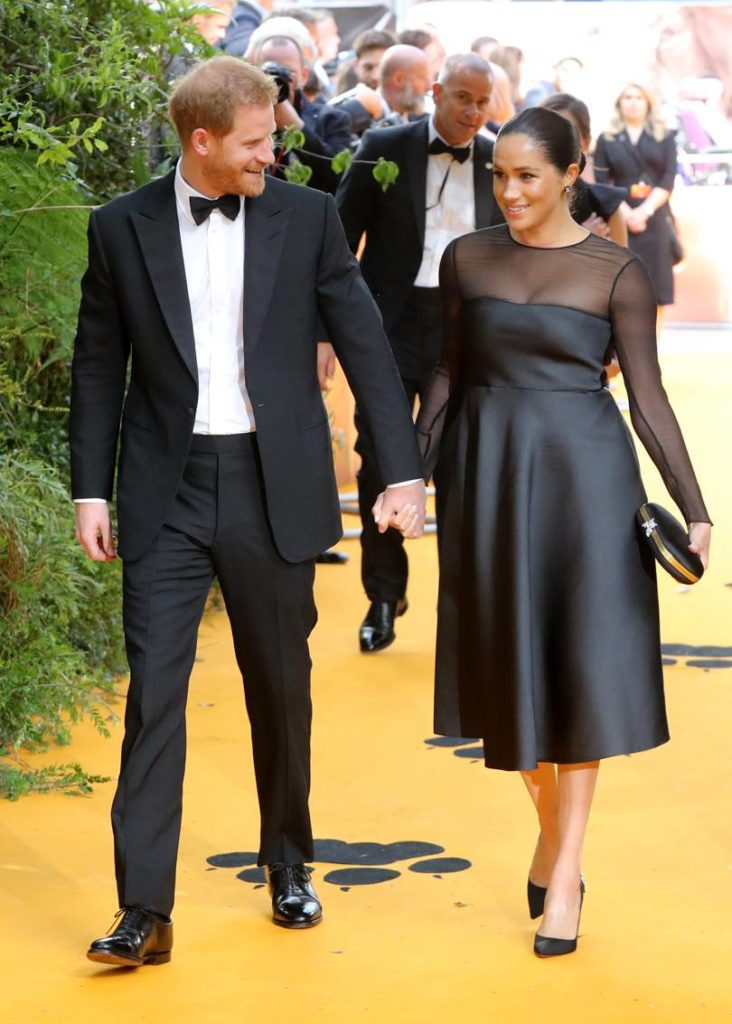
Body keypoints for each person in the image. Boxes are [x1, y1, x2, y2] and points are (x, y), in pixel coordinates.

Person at [71, 56, 426, 967]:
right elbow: (98, 363)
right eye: (259, 142)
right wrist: (90, 487)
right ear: (203, 141)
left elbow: (367, 348)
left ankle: (289, 864)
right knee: (155, 698)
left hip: (276, 482)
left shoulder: (305, 218)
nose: (275, 154)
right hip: (165, 487)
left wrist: (402, 471)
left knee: (281, 686)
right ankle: (144, 909)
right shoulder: (120, 227)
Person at [408, 106, 711, 957]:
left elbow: (646, 398)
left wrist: (694, 507)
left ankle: (565, 874)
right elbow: (445, 372)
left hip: (586, 480)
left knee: (575, 669)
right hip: (488, 477)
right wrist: (413, 474)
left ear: (571, 174)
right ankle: (552, 836)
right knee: (505, 662)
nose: (508, 191)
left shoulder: (616, 272)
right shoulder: (466, 258)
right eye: (498, 175)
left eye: (526, 176)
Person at [336, 54, 502, 653]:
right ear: (435, 91)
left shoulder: (500, 156)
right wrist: (327, 333)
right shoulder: (385, 145)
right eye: (462, 96)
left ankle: (465, 607)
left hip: (467, 330)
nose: (472, 111)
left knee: (463, 465)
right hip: (389, 324)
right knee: (380, 457)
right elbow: (339, 238)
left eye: (483, 102)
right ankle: (383, 594)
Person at [593, 83, 679, 316]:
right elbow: (601, 181)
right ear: (619, 103)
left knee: (658, 292)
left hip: (656, 217)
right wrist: (626, 213)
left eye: (639, 97)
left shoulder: (664, 136)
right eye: (627, 97)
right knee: (623, 290)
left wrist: (644, 211)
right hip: (619, 216)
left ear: (648, 102)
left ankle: (655, 350)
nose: (632, 102)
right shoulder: (607, 138)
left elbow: (668, 178)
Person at [248, 33, 351, 193]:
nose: (276, 79)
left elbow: (340, 179)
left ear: (303, 76)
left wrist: (297, 127)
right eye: (268, 71)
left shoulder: (332, 119)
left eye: (287, 71)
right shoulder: (242, 119)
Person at [541, 93, 628, 246]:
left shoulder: (605, 205)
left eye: (567, 134)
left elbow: (623, 268)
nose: (556, 143)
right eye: (546, 134)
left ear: (586, 142)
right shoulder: (521, 199)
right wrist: (582, 242)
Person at [329, 44, 432, 140]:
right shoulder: (348, 111)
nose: (429, 87)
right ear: (399, 79)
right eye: (423, 78)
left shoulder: (422, 119)